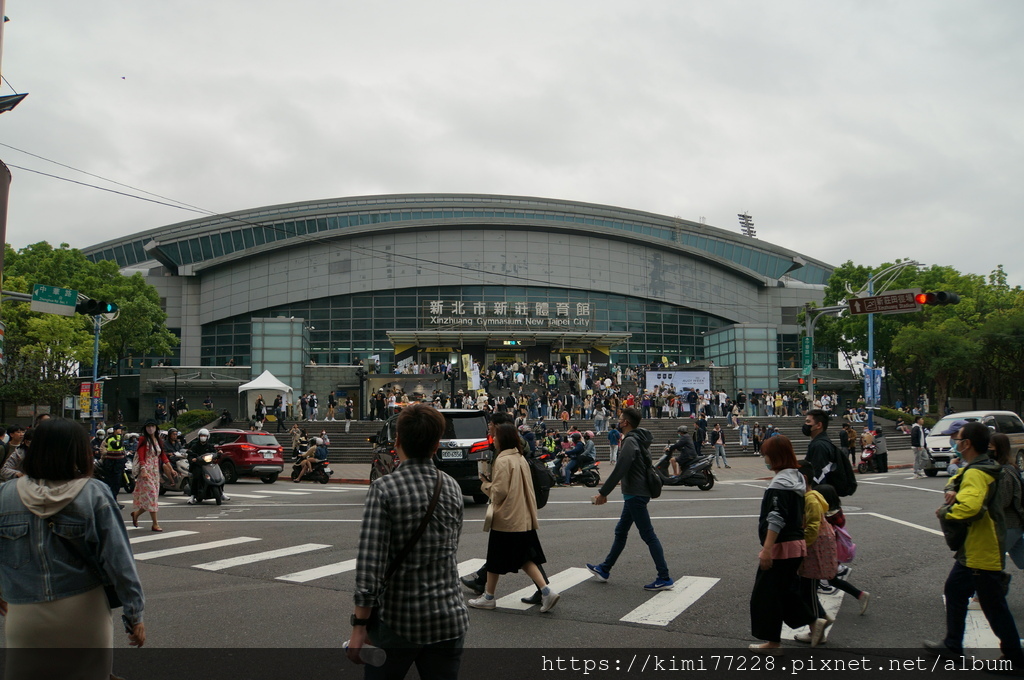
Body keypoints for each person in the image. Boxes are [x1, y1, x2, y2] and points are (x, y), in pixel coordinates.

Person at [0, 419, 146, 678]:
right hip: (84, 611)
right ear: (79, 451)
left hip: (24, 614)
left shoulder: (6, 494)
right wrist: (134, 613)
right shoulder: (94, 493)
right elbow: (119, 560)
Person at [348, 404, 468, 679]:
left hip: (398, 622)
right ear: (436, 446)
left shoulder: (384, 488)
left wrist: (359, 626)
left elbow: (370, 566)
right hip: (448, 618)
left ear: (398, 441)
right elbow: (450, 549)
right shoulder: (452, 486)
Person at [925, 421, 1024, 665]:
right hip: (977, 548)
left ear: (967, 443)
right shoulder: (981, 467)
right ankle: (952, 645)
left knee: (993, 606)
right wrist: (954, 487)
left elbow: (970, 507)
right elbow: (957, 480)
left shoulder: (977, 473)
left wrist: (946, 513)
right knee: (956, 590)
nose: (954, 443)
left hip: (981, 548)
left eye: (957, 439)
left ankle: (1014, 657)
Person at [468, 423, 560, 613]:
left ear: (503, 439)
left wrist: (485, 484)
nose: (493, 439)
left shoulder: (503, 460)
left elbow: (499, 492)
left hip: (507, 518)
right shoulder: (519, 458)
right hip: (522, 516)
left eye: (495, 436)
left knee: (495, 557)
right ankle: (545, 591)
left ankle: (490, 597)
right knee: (524, 557)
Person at [749, 435, 825, 651]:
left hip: (781, 547)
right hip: (796, 545)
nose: (765, 458)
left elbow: (776, 517)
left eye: (767, 454)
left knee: (765, 596)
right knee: (784, 591)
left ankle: (773, 643)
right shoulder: (797, 478)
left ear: (775, 457)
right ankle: (813, 621)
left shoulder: (781, 483)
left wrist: (767, 550)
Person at [586, 407, 674, 591]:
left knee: (648, 535)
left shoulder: (630, 442)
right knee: (621, 531)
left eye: (620, 419)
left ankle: (664, 577)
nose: (618, 421)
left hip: (636, 494)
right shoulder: (639, 440)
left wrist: (603, 493)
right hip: (635, 493)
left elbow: (620, 468)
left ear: (625, 423)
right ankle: (604, 568)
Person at [130, 420, 176, 532]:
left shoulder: (159, 440)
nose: (150, 428)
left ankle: (136, 514)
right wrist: (143, 470)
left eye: (152, 426)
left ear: (156, 427)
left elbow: (163, 456)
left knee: (153, 497)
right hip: (145, 472)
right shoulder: (143, 439)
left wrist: (171, 469)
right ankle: (155, 524)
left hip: (155, 472)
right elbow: (141, 456)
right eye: (148, 426)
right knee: (151, 496)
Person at [186, 428, 217, 504]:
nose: (203, 437)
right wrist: (192, 459)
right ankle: (193, 496)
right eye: (201, 435)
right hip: (198, 466)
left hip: (208, 465)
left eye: (204, 436)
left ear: (208, 437)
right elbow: (189, 454)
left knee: (218, 474)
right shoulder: (194, 446)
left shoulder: (210, 446)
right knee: (196, 477)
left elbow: (214, 453)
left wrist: (218, 454)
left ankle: (222, 493)